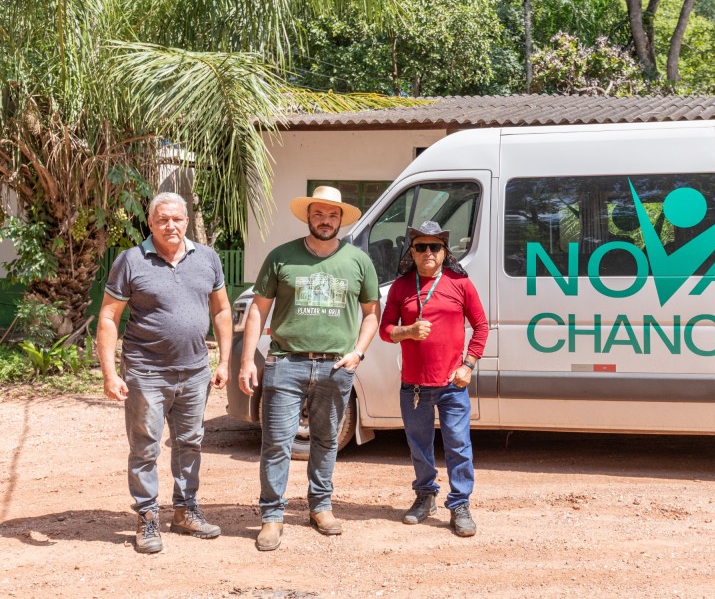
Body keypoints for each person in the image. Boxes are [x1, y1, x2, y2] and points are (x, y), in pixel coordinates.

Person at [239, 185, 380, 552]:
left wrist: (358, 353)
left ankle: (320, 507)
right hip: (286, 363)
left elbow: (371, 313)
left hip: (335, 367)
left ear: (341, 220)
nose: (325, 220)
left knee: (326, 440)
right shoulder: (281, 256)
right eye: (319, 214)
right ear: (308, 216)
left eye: (332, 215)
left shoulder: (358, 261)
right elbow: (258, 309)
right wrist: (247, 360)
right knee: (276, 443)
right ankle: (272, 516)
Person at [97, 191, 231, 554]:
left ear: (186, 221)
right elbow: (108, 317)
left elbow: (221, 310)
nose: (170, 225)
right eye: (162, 219)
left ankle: (185, 511)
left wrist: (224, 361)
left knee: (190, 442)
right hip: (146, 372)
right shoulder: (131, 260)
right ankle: (147, 516)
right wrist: (110, 374)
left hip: (195, 371)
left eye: (177, 219)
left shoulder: (207, 258)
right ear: (150, 223)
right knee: (145, 447)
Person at [379, 221, 488, 537]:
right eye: (421, 247)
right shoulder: (401, 287)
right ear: (412, 252)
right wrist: (408, 331)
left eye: (435, 246)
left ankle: (460, 505)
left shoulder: (460, 283)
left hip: (452, 385)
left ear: (444, 252)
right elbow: (386, 330)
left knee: (458, 445)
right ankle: (425, 497)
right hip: (414, 386)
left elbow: (481, 326)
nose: (428, 252)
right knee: (419, 447)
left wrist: (468, 365)